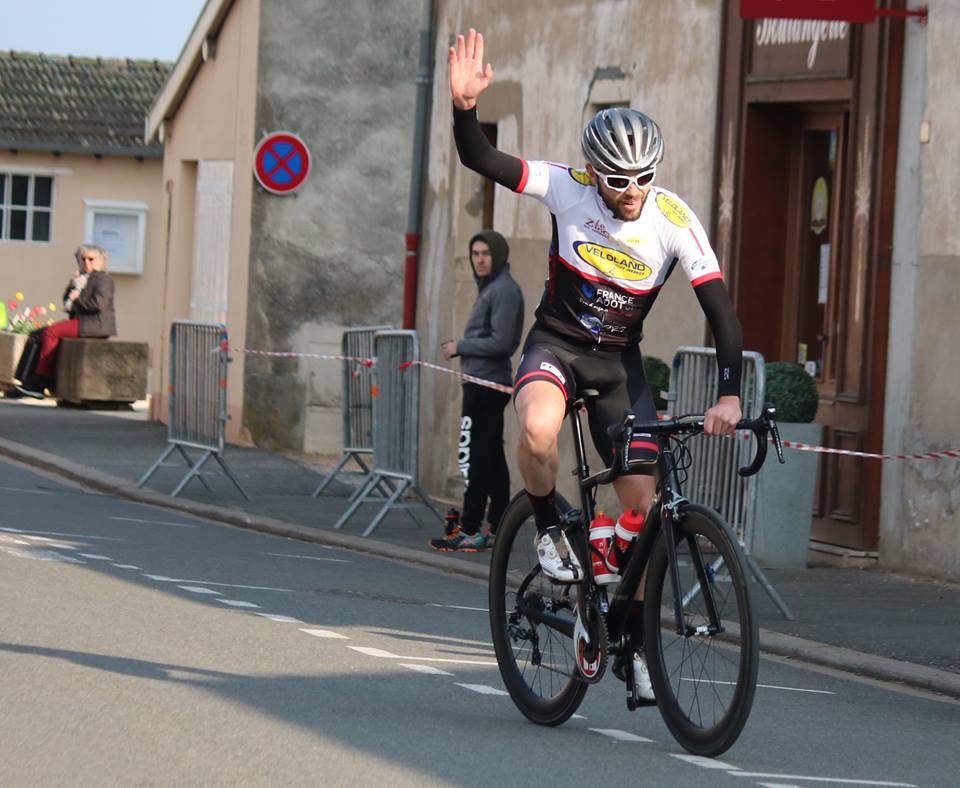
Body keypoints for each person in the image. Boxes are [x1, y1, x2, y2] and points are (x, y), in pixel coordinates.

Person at [449, 29, 744, 699]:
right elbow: (482, 157)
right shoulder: (566, 187)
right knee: (538, 432)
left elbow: (721, 313)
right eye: (619, 181)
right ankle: (552, 529)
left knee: (645, 505)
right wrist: (466, 109)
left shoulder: (672, 218)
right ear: (595, 174)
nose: (633, 191)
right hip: (555, 346)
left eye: (643, 178)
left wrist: (729, 392)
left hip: (618, 364)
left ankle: (631, 635)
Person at [430, 230, 524, 552]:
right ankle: (498, 525)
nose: (479, 260)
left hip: (487, 385)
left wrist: (460, 346)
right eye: (475, 254)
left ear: (497, 255)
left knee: (474, 457)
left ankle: (469, 527)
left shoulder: (504, 291)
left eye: (485, 253)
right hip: (479, 382)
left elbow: (502, 341)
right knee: (492, 458)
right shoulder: (491, 289)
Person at [14, 245, 116, 398]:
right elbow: (67, 302)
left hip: (95, 325)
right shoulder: (82, 278)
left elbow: (98, 304)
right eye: (82, 259)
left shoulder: (102, 278)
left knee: (51, 332)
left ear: (100, 261)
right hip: (83, 322)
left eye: (91, 259)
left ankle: (42, 381)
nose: (86, 263)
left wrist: (77, 300)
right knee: (36, 335)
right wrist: (73, 286)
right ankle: (26, 379)